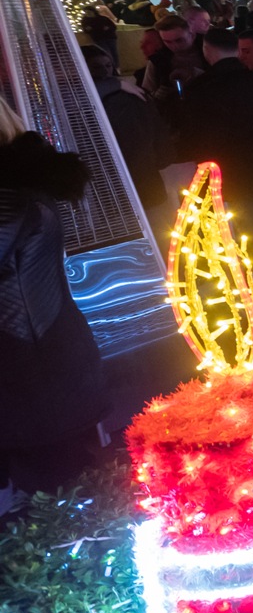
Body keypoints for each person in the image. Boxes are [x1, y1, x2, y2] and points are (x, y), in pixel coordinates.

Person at [0, 97, 108, 492]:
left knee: (56, 502)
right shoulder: (19, 182)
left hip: (31, 377)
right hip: (41, 369)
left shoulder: (10, 196)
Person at [176, 27, 253, 306]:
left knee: (235, 239)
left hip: (227, 172)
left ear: (207, 51)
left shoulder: (203, 89)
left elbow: (197, 138)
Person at [80, 44, 169, 213]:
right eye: (96, 67)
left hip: (123, 176)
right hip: (141, 175)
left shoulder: (126, 95)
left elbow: (155, 127)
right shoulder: (117, 93)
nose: (105, 72)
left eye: (107, 66)